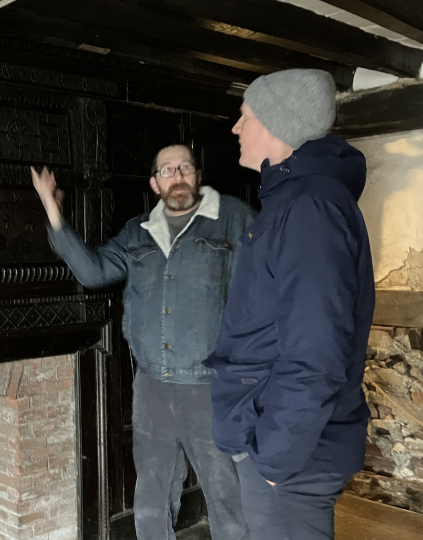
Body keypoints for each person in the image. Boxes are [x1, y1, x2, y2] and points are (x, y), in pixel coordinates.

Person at [31, 144, 254, 540]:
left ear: (197, 175)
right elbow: (93, 271)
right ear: (155, 183)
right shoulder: (138, 232)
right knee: (151, 494)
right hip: (151, 384)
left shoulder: (233, 219)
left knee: (226, 495)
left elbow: (262, 292)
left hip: (211, 384)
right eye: (167, 170)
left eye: (185, 167)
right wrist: (53, 211)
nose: (178, 175)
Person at [205, 69, 376, 540]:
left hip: (291, 454)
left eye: (244, 117)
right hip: (283, 442)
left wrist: (274, 458)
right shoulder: (298, 201)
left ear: (277, 123)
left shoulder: (309, 208)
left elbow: (317, 350)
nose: (236, 129)